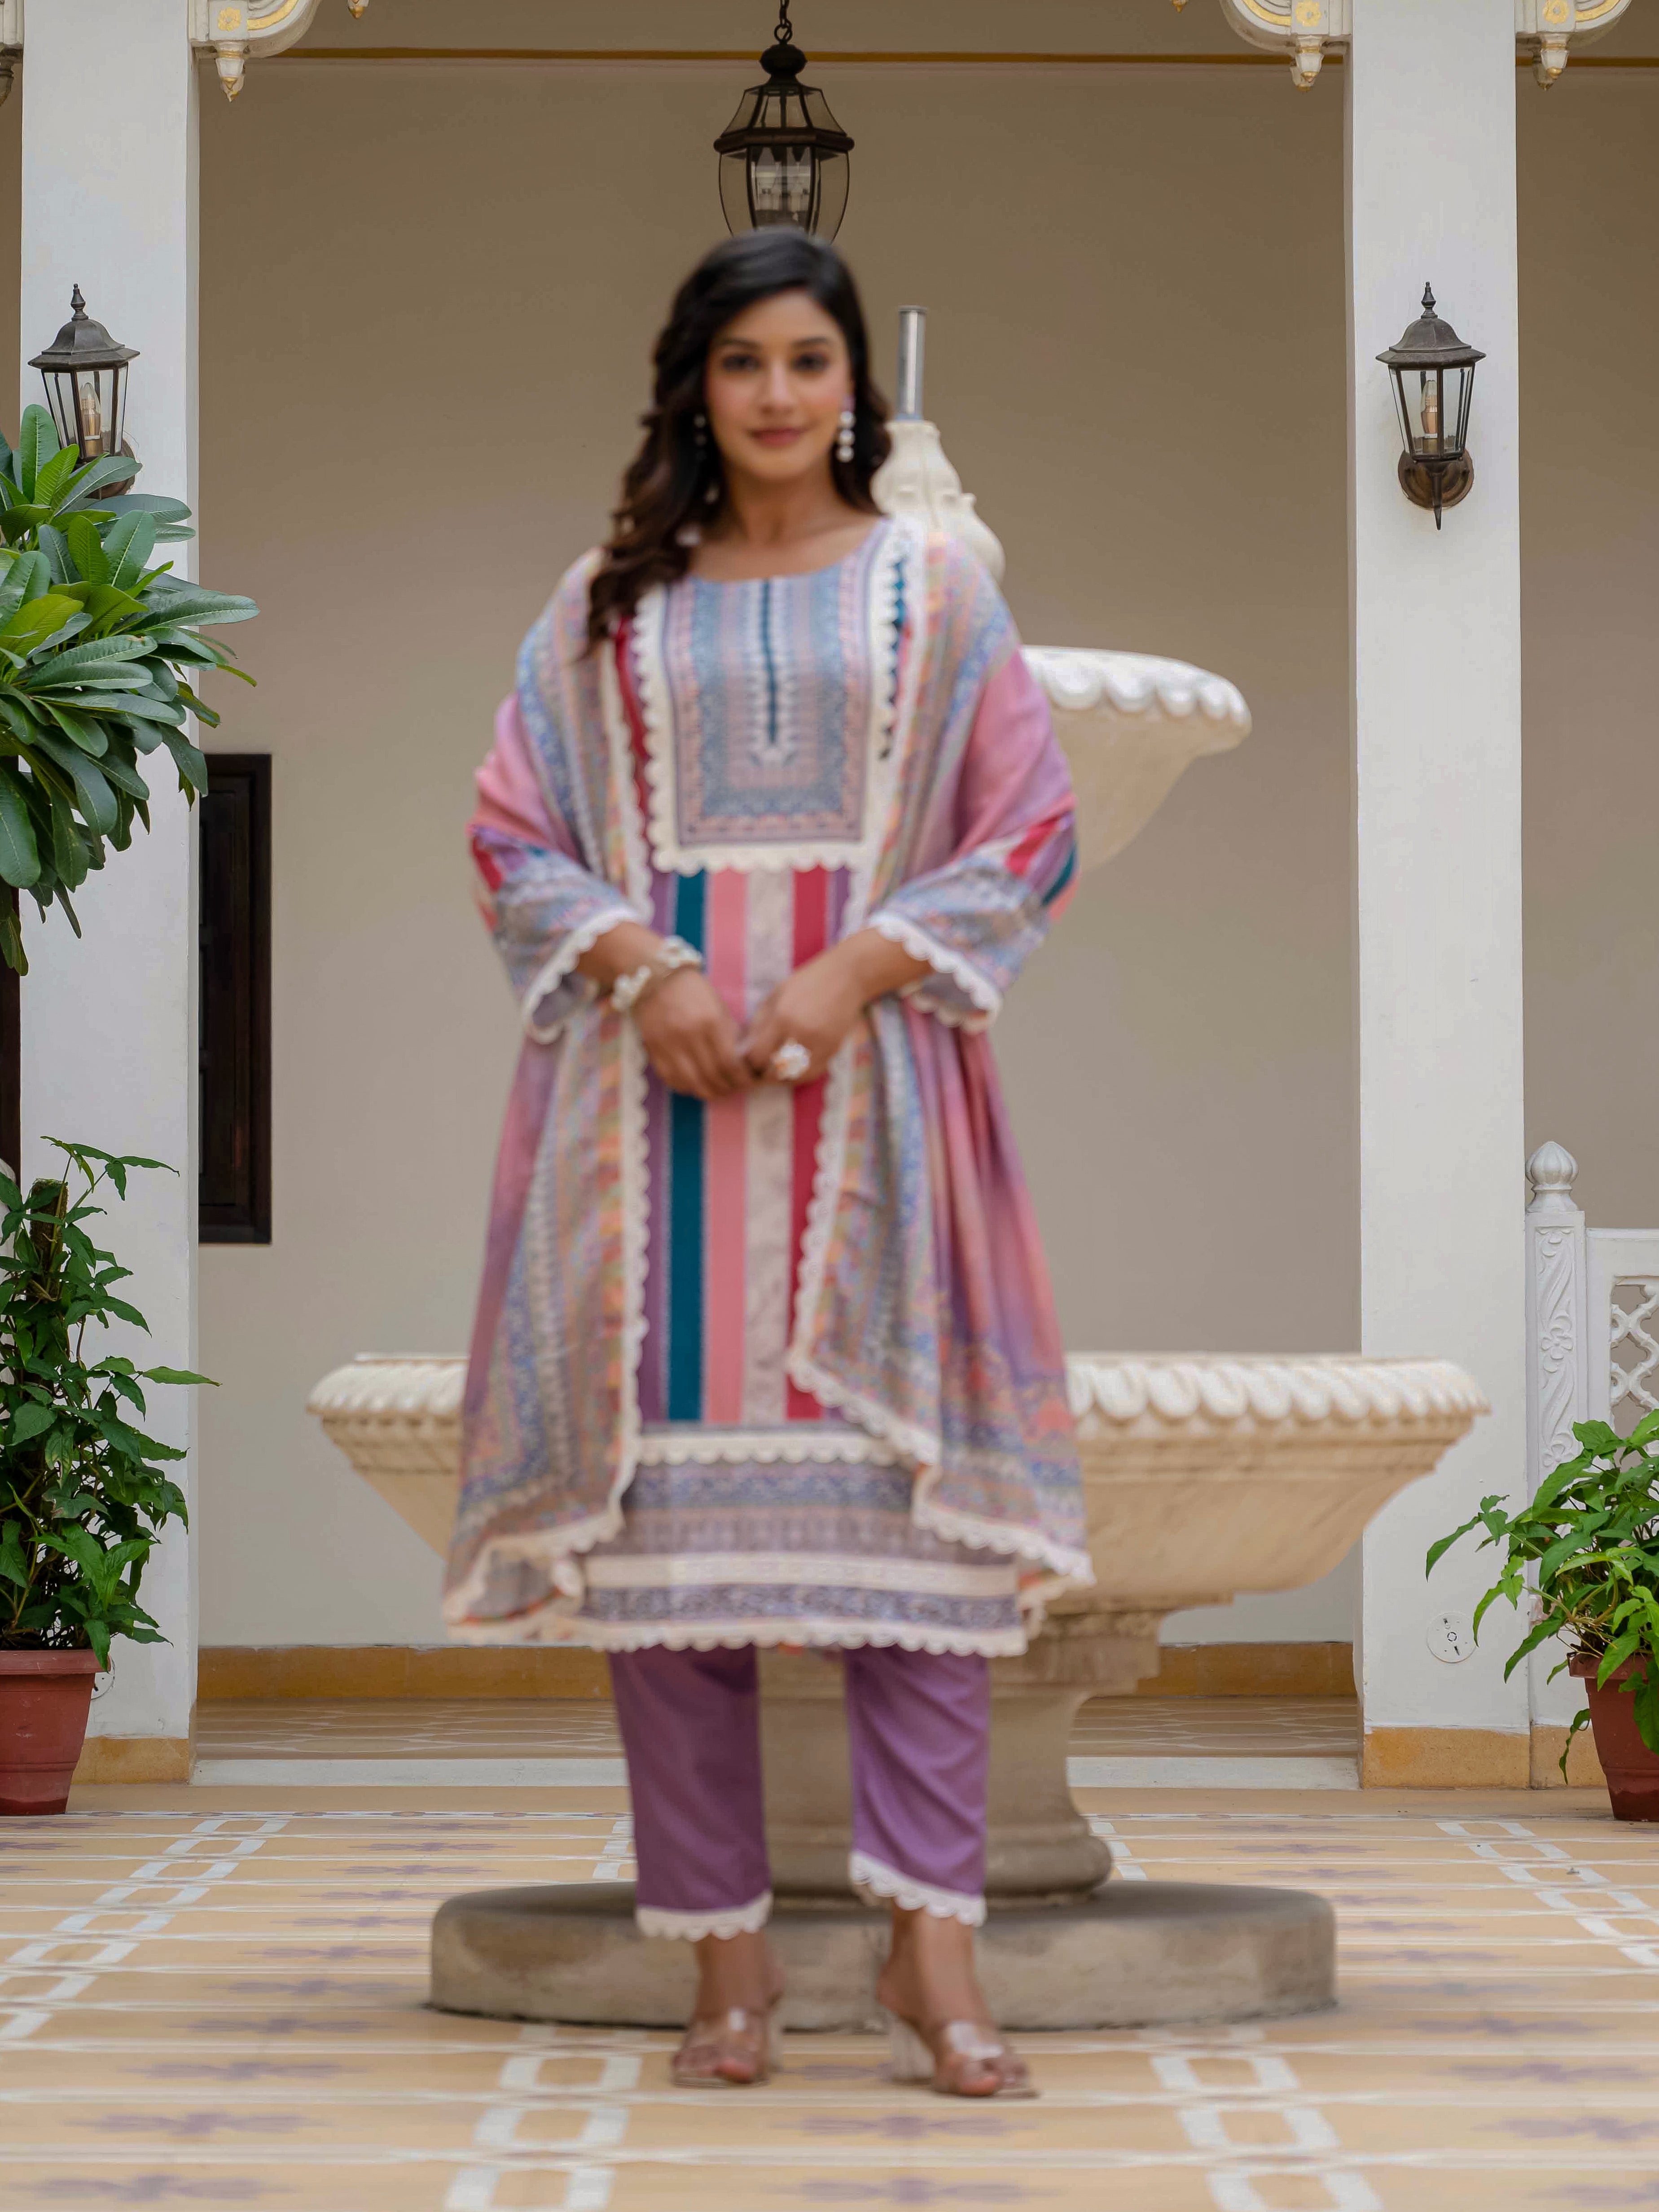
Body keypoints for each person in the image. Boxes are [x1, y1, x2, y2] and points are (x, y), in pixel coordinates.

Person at [446, 230, 1089, 2098]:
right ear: (695, 388)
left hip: (873, 1110)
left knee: (922, 1565)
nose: (784, 395)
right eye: (748, 364)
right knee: (675, 1591)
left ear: (853, 388)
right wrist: (646, 973)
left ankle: (933, 1960)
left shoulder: (935, 589)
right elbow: (510, 832)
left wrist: (854, 965)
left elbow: (1032, 822)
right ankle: (723, 1972)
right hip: (647, 1144)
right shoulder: (602, 608)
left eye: (812, 360)